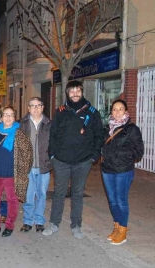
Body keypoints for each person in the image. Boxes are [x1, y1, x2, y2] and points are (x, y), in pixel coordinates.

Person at [43, 80, 104, 239]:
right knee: (59, 193)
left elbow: (99, 135)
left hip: (83, 161)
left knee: (77, 194)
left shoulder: (92, 112)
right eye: (72, 91)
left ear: (82, 92)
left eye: (78, 90)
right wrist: (53, 155)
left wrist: (94, 156)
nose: (75, 94)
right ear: (67, 93)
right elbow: (53, 134)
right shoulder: (61, 111)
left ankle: (76, 225)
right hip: (61, 161)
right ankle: (54, 223)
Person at [0, 106, 33, 237]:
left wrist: (22, 172)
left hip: (12, 175)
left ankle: (9, 226)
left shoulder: (19, 134)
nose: (8, 117)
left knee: (12, 201)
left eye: (11, 115)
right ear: (1, 117)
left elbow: (28, 154)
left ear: (14, 118)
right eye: (6, 114)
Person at [101, 99, 144, 245]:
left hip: (123, 170)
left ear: (125, 111)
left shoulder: (132, 129)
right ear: (111, 111)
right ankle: (117, 226)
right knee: (112, 201)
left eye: (120, 109)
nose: (117, 112)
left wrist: (118, 154)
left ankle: (123, 231)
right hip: (107, 169)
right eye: (114, 109)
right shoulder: (107, 128)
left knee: (121, 200)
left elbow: (138, 152)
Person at [19, 97, 51, 232]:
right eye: (32, 106)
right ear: (28, 108)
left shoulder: (49, 124)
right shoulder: (23, 123)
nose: (36, 108)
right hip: (28, 166)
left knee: (42, 194)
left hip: (44, 165)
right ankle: (27, 220)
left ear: (42, 107)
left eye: (38, 105)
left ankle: (39, 220)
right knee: (29, 194)